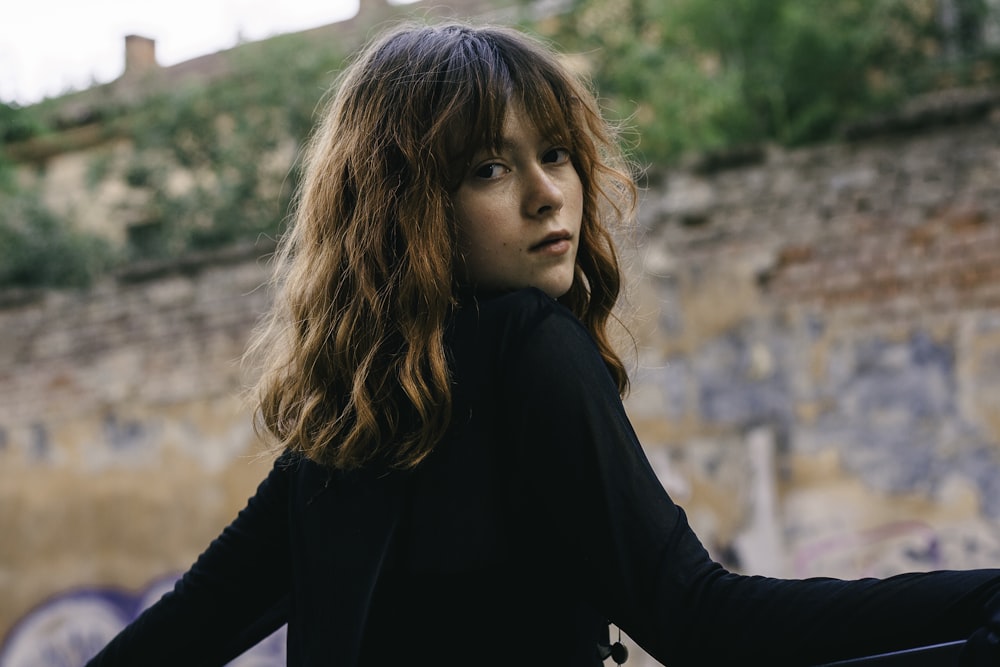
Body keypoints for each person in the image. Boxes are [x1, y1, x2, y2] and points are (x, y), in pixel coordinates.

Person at [85, 21, 1000, 667]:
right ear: (408, 209)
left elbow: (174, 637)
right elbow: (703, 620)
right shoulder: (525, 348)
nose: (546, 192)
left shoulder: (353, 428)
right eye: (489, 167)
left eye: (556, 153)